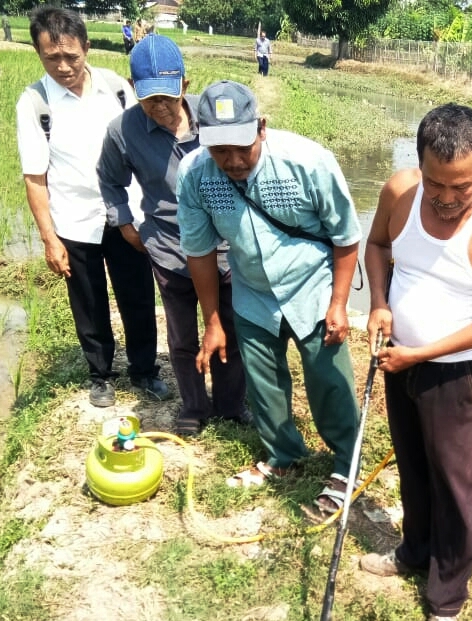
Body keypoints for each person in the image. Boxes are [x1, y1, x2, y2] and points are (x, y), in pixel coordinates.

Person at [359, 103, 472, 621]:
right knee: (411, 463)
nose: (448, 198)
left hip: (453, 372)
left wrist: (421, 352)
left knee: (452, 481)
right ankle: (414, 552)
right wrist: (380, 305)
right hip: (398, 359)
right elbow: (376, 246)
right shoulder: (399, 193)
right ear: (420, 164)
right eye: (438, 185)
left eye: (462, 187)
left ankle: (447, 595)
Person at [176, 80, 362, 513]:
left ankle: (345, 464)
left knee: (329, 381)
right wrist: (213, 321)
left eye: (242, 147)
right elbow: (200, 253)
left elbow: (347, 236)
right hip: (253, 292)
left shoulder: (308, 162)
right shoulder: (195, 175)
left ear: (261, 127)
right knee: (264, 385)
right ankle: (283, 456)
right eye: (220, 150)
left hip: (312, 286)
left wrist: (337, 303)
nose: (233, 161)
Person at [15, 6, 167, 408]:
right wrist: (50, 238)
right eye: (52, 58)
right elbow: (35, 176)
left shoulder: (118, 89)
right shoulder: (35, 103)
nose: (63, 66)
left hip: (126, 215)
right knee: (89, 302)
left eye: (71, 56)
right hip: (74, 221)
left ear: (86, 46)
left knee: (137, 295)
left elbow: (144, 147)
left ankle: (145, 370)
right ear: (38, 53)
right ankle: (100, 374)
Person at [97, 35, 249, 435]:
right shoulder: (123, 131)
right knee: (182, 336)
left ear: (184, 84)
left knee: (232, 329)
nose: (160, 107)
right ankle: (194, 408)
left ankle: (232, 404)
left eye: (167, 96)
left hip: (226, 249)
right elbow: (109, 180)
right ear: (134, 90)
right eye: (149, 99)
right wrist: (125, 223)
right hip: (170, 249)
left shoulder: (215, 116)